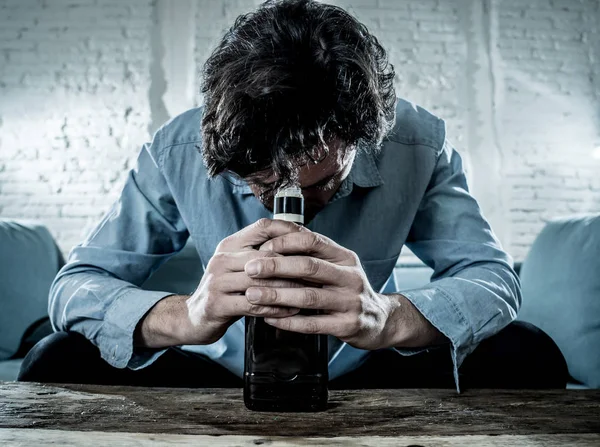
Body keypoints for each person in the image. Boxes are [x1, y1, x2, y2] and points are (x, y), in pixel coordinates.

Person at [19, 0, 567, 390]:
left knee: (528, 351)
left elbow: (492, 279)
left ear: (365, 134)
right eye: (259, 183)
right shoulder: (176, 149)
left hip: (363, 367)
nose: (290, 206)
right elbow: (76, 287)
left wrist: (385, 317)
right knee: (54, 358)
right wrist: (186, 316)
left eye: (321, 183)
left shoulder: (417, 144)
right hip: (218, 373)